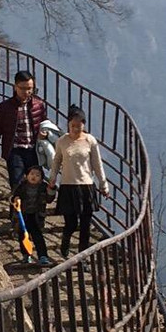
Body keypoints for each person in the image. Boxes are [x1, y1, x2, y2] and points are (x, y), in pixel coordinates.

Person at [47, 106, 109, 257]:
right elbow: (56, 161)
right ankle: (65, 244)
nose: (75, 128)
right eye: (72, 125)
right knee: (71, 223)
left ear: (84, 124)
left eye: (78, 125)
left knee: (85, 225)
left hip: (86, 186)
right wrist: (52, 178)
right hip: (68, 186)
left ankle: (82, 256)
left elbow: (97, 164)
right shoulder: (62, 141)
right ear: (68, 124)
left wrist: (103, 184)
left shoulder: (90, 140)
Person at [0, 70, 48, 190]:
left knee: (35, 183)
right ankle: (16, 202)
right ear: (15, 87)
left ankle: (31, 203)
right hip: (14, 150)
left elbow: (44, 124)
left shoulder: (38, 105)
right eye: (23, 88)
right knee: (17, 184)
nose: (27, 92)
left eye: (30, 88)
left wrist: (44, 134)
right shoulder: (5, 107)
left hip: (34, 150)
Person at [11, 166, 56, 266]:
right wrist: (15, 198)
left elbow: (49, 199)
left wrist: (51, 188)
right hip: (23, 215)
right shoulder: (21, 186)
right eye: (31, 174)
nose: (34, 177)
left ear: (41, 178)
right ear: (27, 176)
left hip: (36, 215)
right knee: (23, 236)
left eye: (37, 175)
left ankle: (43, 256)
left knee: (38, 236)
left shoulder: (43, 187)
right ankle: (26, 255)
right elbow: (13, 196)